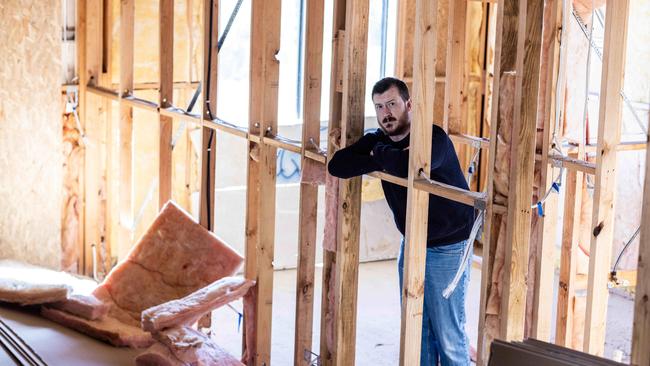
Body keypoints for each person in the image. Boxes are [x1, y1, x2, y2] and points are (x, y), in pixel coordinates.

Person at [328, 77, 474, 365]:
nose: (386, 113)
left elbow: (411, 166)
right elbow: (338, 166)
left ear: (409, 105)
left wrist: (377, 155)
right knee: (417, 328)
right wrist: (384, 153)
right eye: (380, 107)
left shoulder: (433, 138)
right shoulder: (379, 139)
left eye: (392, 104)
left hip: (448, 245)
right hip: (413, 241)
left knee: (448, 333)